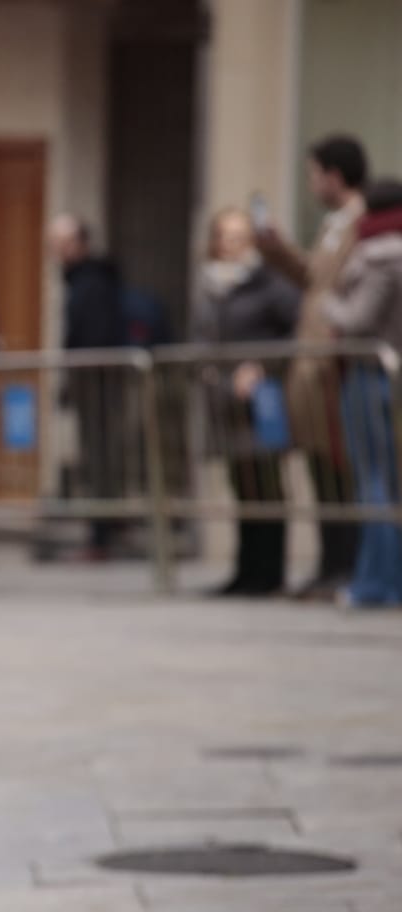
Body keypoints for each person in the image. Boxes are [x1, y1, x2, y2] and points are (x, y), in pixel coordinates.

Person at [257, 135, 368, 599]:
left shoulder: (364, 223)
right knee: (321, 470)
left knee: (343, 472)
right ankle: (329, 566)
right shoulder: (333, 226)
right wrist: (276, 249)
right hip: (312, 361)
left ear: (334, 176)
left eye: (314, 173)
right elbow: (312, 280)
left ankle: (347, 566)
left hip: (336, 363)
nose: (312, 183)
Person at [193, 208, 301, 596]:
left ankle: (269, 573)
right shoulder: (211, 286)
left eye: (241, 236)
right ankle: (245, 572)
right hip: (225, 404)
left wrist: (261, 367)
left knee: (267, 488)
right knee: (242, 486)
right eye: (226, 236)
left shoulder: (270, 284)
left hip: (263, 404)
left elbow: (296, 332)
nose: (233, 244)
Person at [326, 179, 402, 607]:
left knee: (372, 482)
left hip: (370, 374)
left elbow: (357, 318)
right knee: (390, 484)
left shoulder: (377, 255)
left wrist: (326, 305)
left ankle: (377, 583)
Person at [49, 215, 130, 560]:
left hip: (98, 381)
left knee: (99, 456)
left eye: (64, 243)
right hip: (89, 380)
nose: (58, 251)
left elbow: (93, 335)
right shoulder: (80, 280)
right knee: (94, 456)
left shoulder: (93, 282)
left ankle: (104, 533)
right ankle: (103, 528)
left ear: (81, 243)